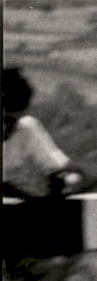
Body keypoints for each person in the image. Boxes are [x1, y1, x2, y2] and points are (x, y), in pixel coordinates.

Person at [4, 68, 78, 200]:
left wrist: (64, 179)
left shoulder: (26, 129)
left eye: (12, 121)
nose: (7, 127)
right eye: (5, 119)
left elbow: (60, 169)